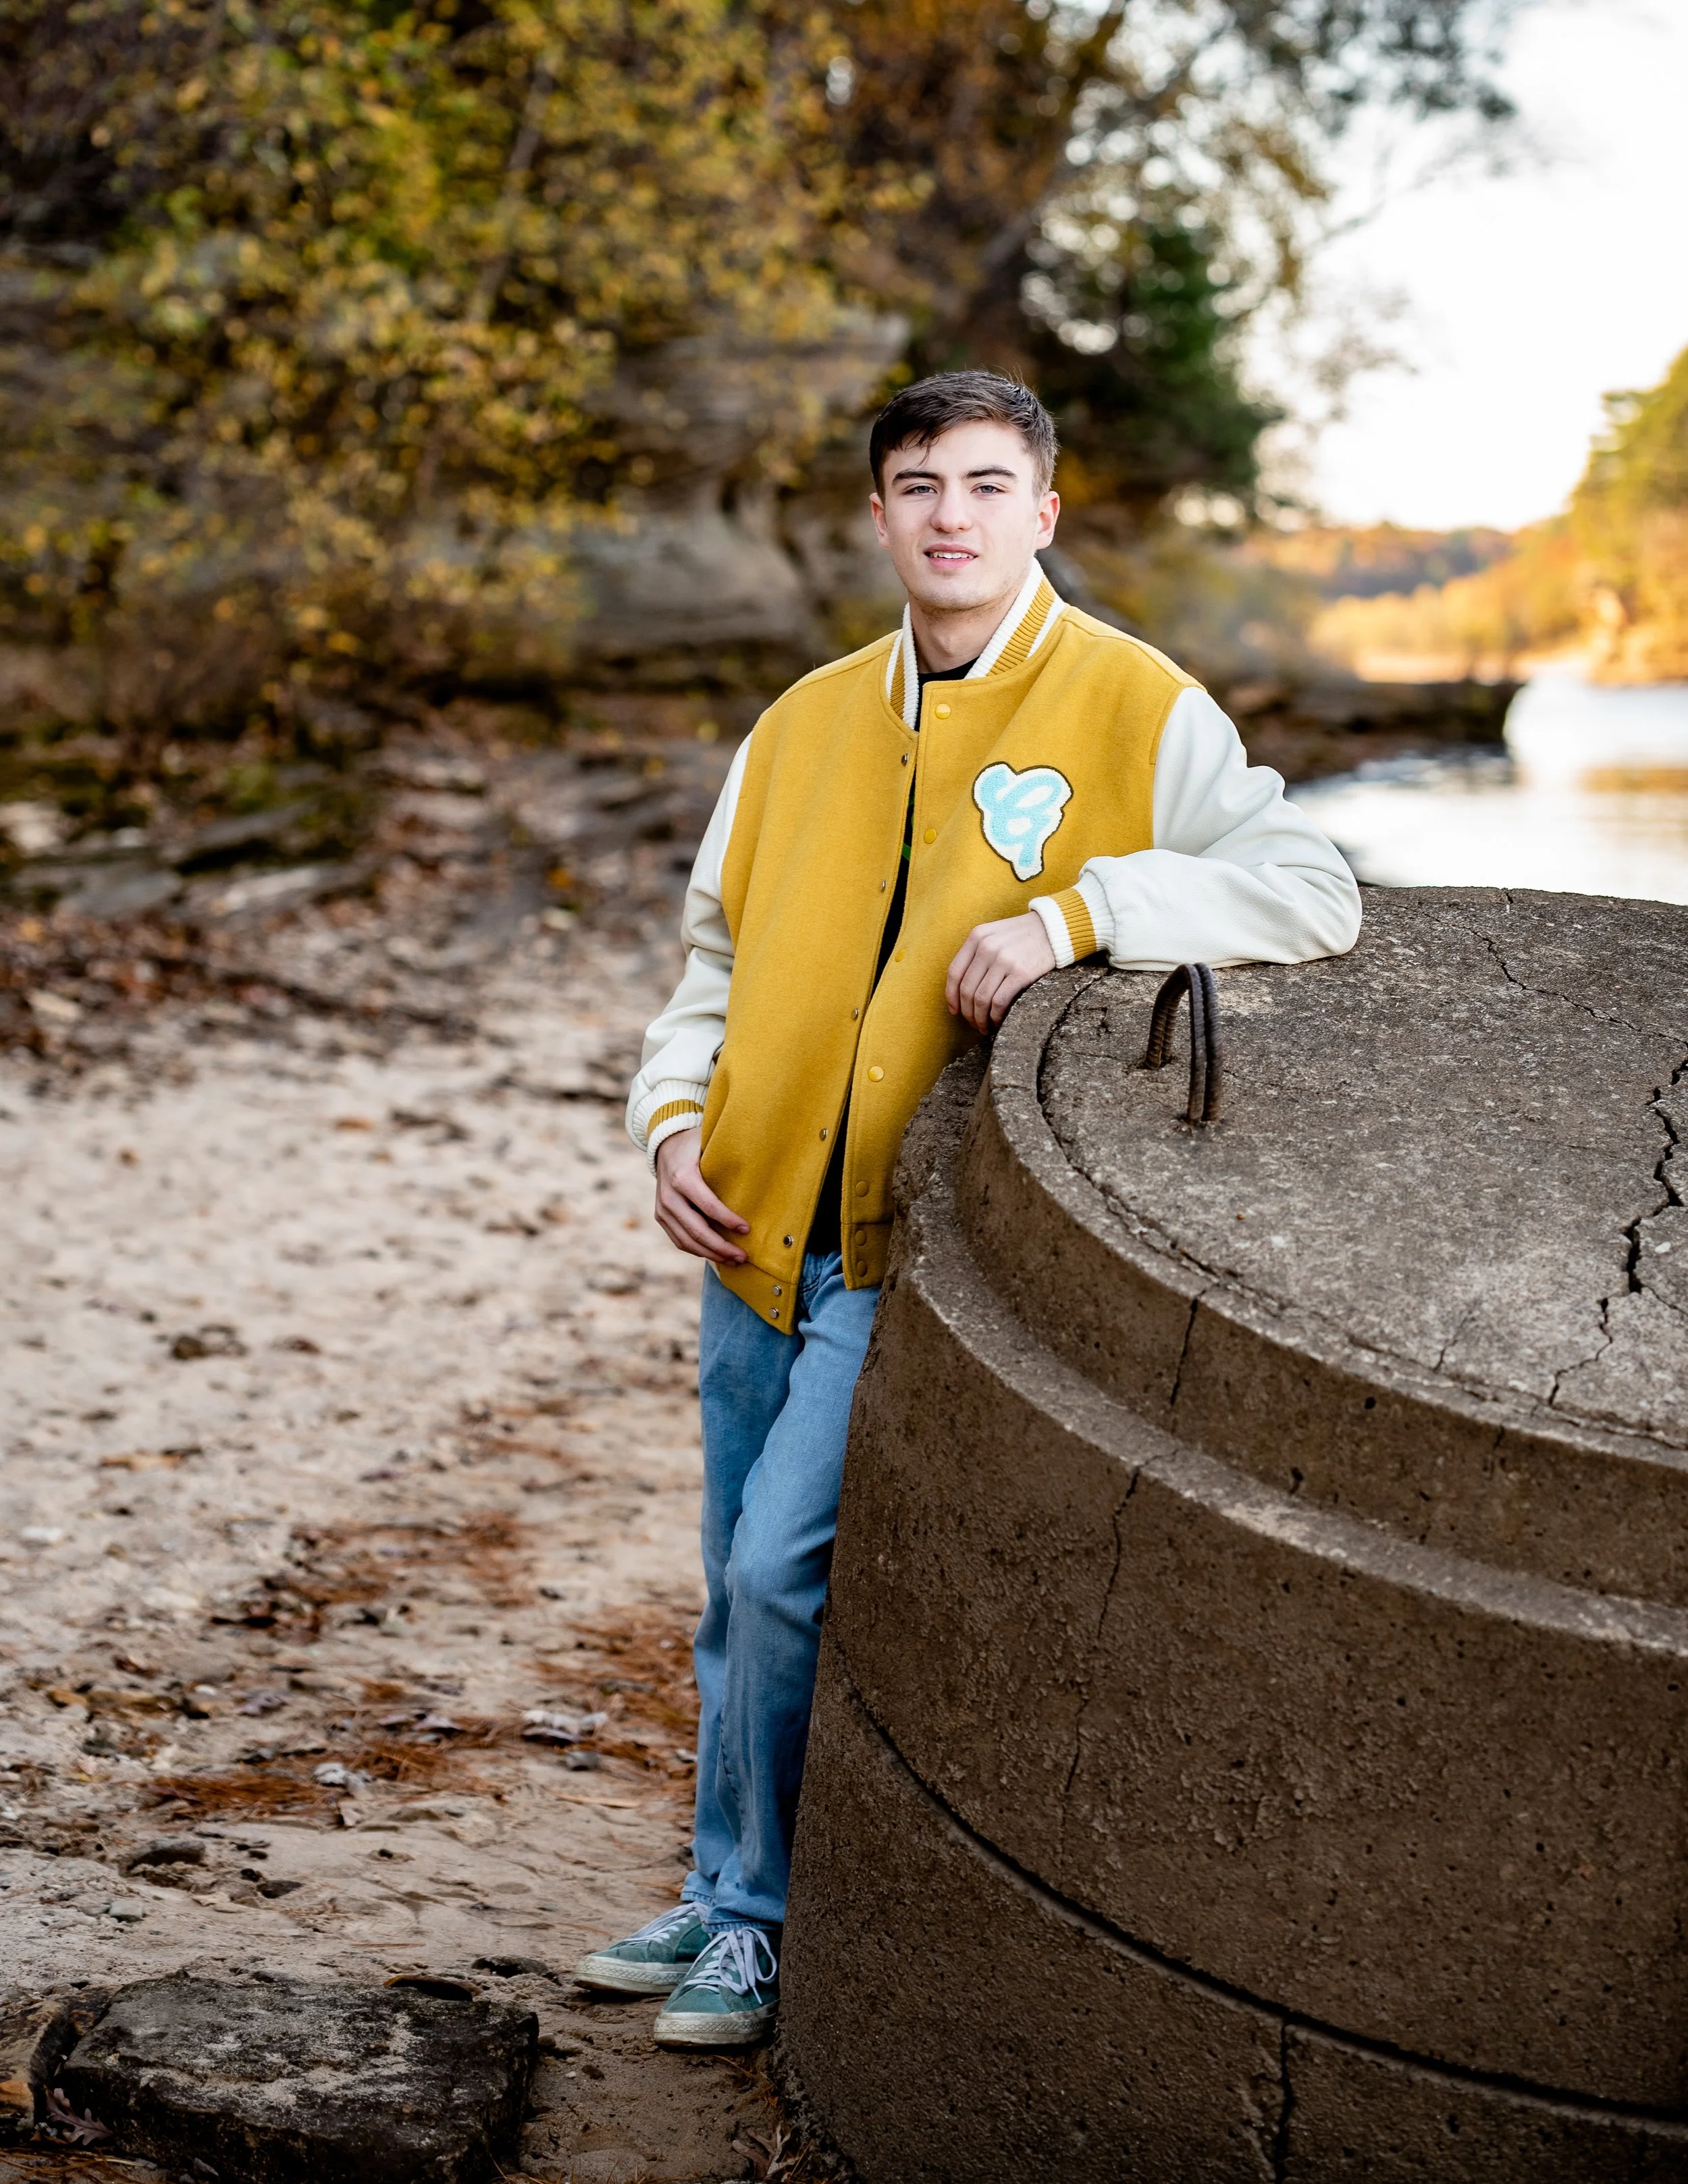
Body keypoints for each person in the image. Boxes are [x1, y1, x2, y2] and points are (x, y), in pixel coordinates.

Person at [575, 371, 1361, 2046]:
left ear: (1042, 511)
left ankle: (761, 1926)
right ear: (878, 515)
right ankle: (719, 1885)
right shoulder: (800, 722)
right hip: (747, 1223)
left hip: (905, 1237)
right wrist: (666, 1123)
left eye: (987, 485)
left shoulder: (1134, 705)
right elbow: (712, 959)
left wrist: (1077, 914)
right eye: (920, 486)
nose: (951, 517)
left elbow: (1309, 888)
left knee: (781, 1572)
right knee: (728, 1582)